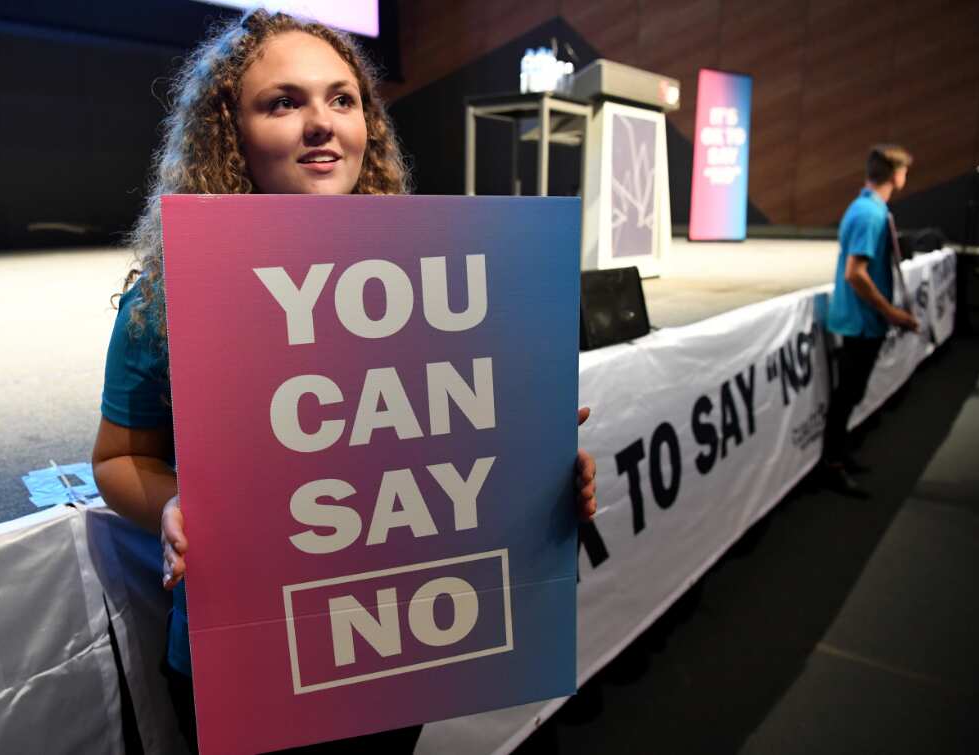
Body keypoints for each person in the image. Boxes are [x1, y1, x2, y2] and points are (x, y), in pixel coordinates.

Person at [91, 10, 599, 754]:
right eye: (283, 102)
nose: (322, 123)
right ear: (229, 131)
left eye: (342, 99)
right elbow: (116, 458)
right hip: (250, 655)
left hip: (392, 646)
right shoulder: (169, 296)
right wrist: (173, 504)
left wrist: (538, 476)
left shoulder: (442, 284)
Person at [821, 144, 919, 498]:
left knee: (852, 392)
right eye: (904, 171)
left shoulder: (869, 209)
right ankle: (832, 464)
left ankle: (840, 454)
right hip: (860, 322)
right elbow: (856, 274)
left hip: (862, 321)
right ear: (895, 175)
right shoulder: (870, 215)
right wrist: (892, 313)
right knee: (846, 394)